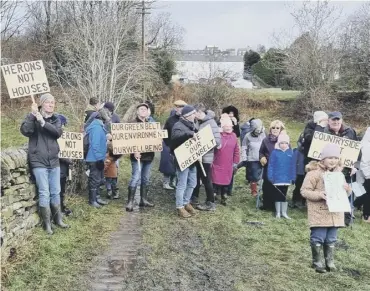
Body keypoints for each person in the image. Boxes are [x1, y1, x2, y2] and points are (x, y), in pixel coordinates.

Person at [20, 93, 68, 234]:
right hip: (38, 161)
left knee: (56, 191)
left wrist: (43, 122)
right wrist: (32, 115)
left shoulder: (56, 119)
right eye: (48, 102)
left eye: (53, 102)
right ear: (41, 104)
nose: (51, 105)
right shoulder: (32, 118)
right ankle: (47, 224)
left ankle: (58, 220)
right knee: (44, 192)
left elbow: (57, 133)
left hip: (54, 160)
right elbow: (25, 130)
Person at [301, 143, 351, 273]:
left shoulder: (339, 175)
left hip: (335, 213)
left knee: (331, 238)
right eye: (330, 158)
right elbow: (304, 191)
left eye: (335, 158)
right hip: (319, 213)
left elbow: (345, 193)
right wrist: (319, 195)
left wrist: (347, 190)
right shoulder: (314, 174)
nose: (333, 161)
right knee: (318, 237)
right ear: (323, 159)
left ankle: (330, 261)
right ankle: (317, 262)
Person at [315, 111, 358, 225]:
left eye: (338, 119)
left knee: (346, 189)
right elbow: (318, 151)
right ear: (328, 121)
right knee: (331, 189)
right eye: (333, 120)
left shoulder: (350, 131)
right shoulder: (323, 133)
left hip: (345, 167)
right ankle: (330, 214)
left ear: (341, 120)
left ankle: (347, 215)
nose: (336, 122)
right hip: (330, 168)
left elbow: (356, 149)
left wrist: (353, 165)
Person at [191, 104, 221, 211]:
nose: (193, 115)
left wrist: (202, 146)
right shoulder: (198, 122)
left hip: (206, 158)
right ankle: (194, 198)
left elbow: (217, 141)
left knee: (206, 179)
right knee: (196, 177)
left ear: (199, 112)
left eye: (194, 113)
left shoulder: (211, 123)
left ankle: (210, 202)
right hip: (197, 157)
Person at [125, 103, 155, 212]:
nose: (143, 111)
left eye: (145, 109)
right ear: (137, 111)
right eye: (141, 109)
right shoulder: (132, 124)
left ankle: (143, 199)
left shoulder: (151, 124)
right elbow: (126, 140)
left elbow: (155, 138)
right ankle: (130, 202)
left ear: (148, 112)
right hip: (137, 157)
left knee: (146, 179)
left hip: (149, 156)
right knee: (136, 177)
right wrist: (134, 151)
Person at [170, 105, 198, 218]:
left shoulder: (192, 125)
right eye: (193, 113)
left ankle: (186, 202)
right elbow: (175, 137)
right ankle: (180, 206)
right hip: (182, 159)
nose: (195, 115)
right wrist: (188, 134)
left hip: (192, 158)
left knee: (192, 183)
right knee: (182, 184)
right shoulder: (178, 125)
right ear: (187, 116)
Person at [212, 114, 240, 206]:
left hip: (228, 163)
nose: (228, 128)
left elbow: (236, 150)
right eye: (226, 126)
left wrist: (235, 162)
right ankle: (214, 194)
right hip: (217, 161)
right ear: (222, 127)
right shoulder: (218, 135)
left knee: (226, 180)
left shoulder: (234, 136)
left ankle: (224, 196)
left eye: (230, 126)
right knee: (215, 178)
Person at [85, 108, 111, 208]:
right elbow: (95, 144)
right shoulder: (96, 127)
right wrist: (100, 158)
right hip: (94, 158)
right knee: (94, 179)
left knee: (98, 179)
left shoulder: (99, 127)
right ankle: (92, 201)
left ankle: (96, 198)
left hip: (98, 157)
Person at [259, 120, 286, 211]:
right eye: (273, 128)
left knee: (279, 186)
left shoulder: (285, 140)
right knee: (267, 185)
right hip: (268, 166)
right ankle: (267, 204)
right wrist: (262, 157)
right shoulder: (265, 140)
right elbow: (261, 152)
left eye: (277, 128)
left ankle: (277, 206)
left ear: (281, 129)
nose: (275, 129)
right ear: (270, 129)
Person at [268, 133, 295, 219]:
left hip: (286, 178)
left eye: (285, 143)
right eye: (282, 143)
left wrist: (293, 177)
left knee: (284, 195)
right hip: (277, 178)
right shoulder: (275, 152)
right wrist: (270, 176)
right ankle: (278, 212)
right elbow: (271, 165)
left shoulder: (290, 152)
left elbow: (293, 166)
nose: (283, 145)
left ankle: (284, 212)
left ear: (288, 144)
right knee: (278, 195)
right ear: (279, 143)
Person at [161, 100, 187, 189]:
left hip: (182, 147)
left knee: (178, 165)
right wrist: (168, 144)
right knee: (168, 164)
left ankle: (175, 181)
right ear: (175, 108)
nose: (179, 109)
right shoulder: (170, 120)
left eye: (181, 107)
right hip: (170, 146)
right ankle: (166, 182)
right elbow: (164, 133)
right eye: (178, 107)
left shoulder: (186, 120)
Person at [241, 119, 265, 197]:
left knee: (263, 175)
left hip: (262, 158)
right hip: (252, 159)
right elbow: (244, 147)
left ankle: (263, 189)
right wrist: (244, 157)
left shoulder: (263, 134)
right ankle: (254, 191)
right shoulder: (247, 136)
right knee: (254, 176)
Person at [58, 114, 73, 216]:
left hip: (62, 169)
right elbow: (59, 153)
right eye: (63, 124)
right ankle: (60, 210)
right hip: (59, 169)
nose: (64, 127)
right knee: (59, 191)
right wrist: (68, 160)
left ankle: (62, 208)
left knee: (61, 190)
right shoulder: (56, 135)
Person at [159, 109, 177, 190]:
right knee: (168, 166)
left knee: (174, 165)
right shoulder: (170, 122)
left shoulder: (170, 122)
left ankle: (172, 182)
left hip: (170, 146)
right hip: (168, 146)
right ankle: (167, 182)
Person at [356, 127, 370, 223]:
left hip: (366, 173)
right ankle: (366, 216)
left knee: (364, 193)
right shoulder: (366, 145)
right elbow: (364, 163)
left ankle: (354, 205)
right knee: (367, 194)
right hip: (365, 173)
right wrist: (369, 176)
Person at [104, 134, 121, 199]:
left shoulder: (108, 157)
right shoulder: (116, 158)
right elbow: (116, 166)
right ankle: (115, 193)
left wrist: (104, 170)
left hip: (108, 173)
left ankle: (109, 192)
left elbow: (106, 164)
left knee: (108, 182)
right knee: (114, 182)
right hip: (114, 173)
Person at [291, 140, 306, 209]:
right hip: (299, 172)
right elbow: (293, 163)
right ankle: (295, 200)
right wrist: (293, 175)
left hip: (307, 172)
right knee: (298, 187)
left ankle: (303, 201)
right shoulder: (297, 151)